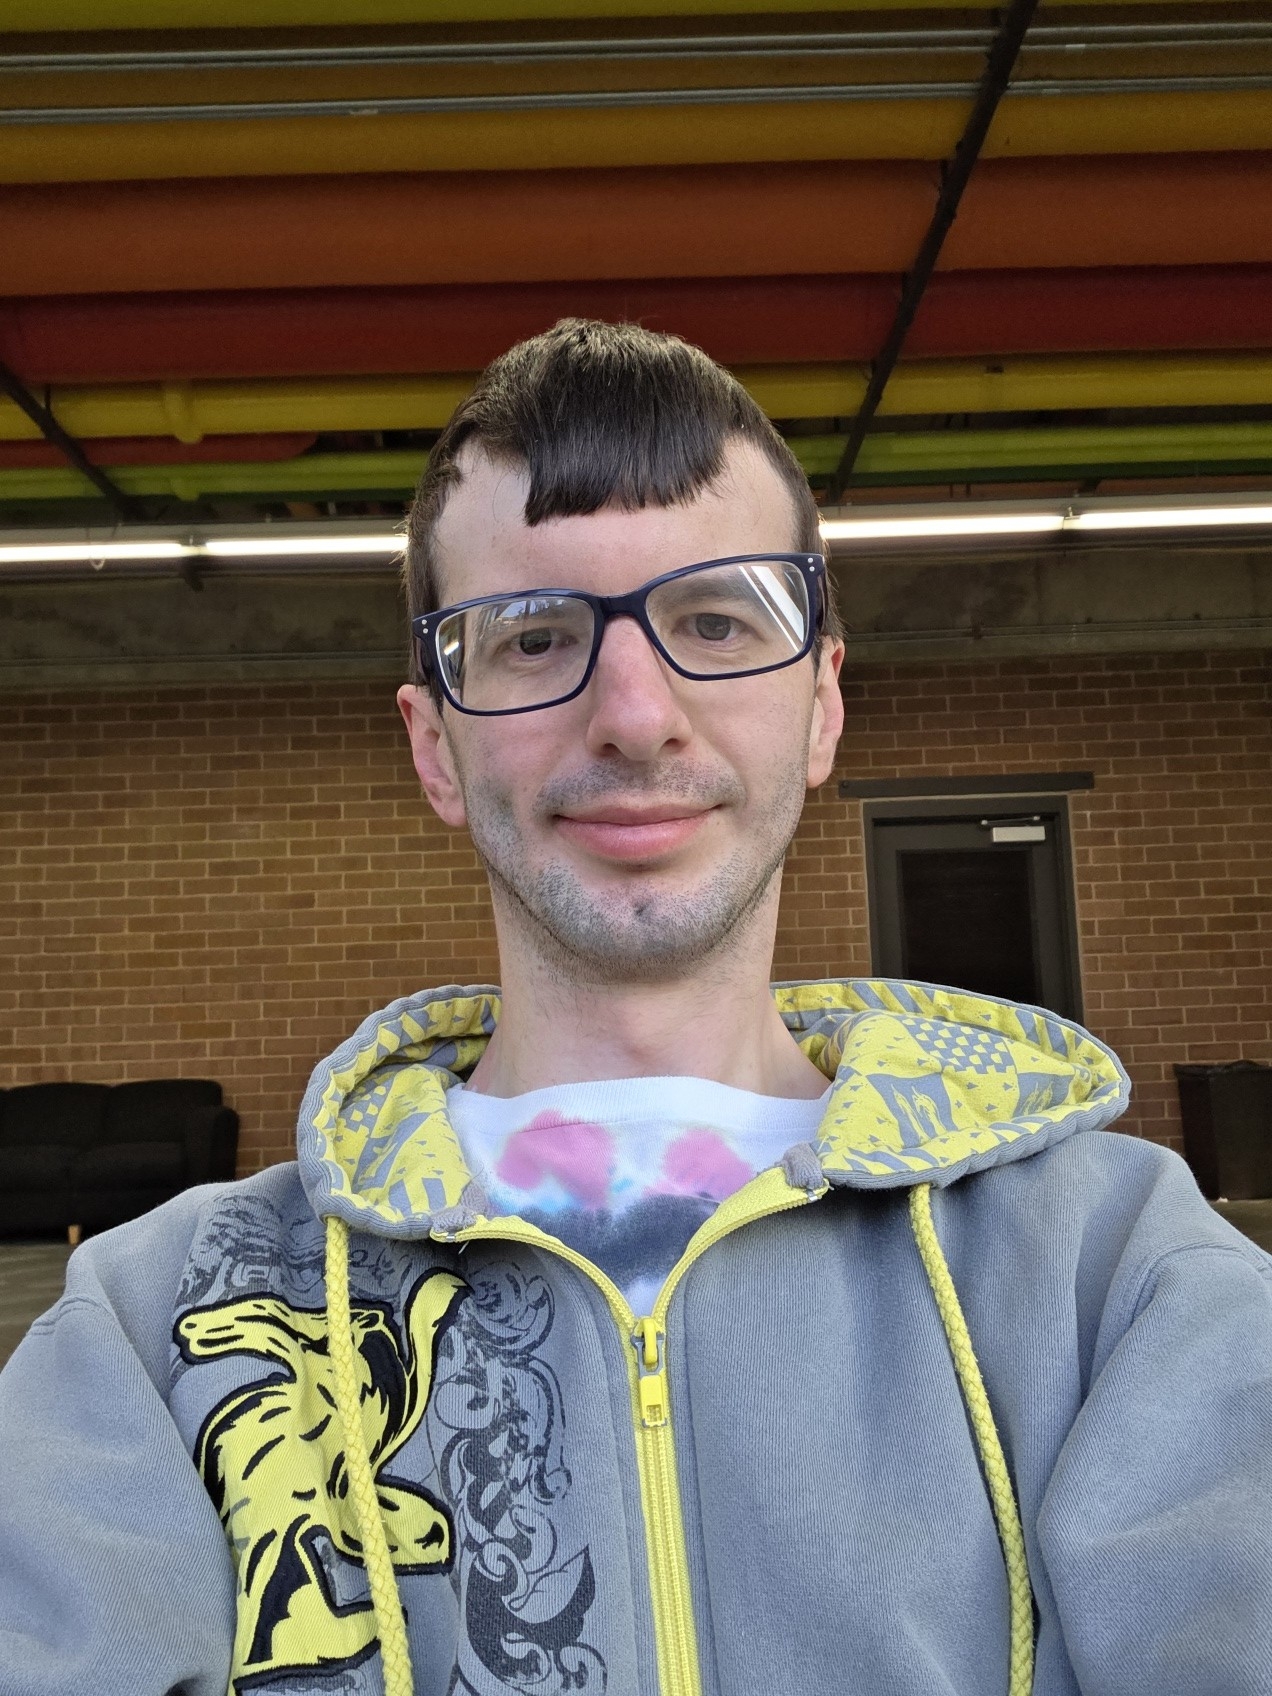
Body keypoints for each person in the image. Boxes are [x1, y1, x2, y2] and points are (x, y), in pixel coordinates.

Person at [1, 320, 1269, 1696]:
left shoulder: (1118, 1276)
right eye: (535, 638)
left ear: (822, 706)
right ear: (436, 745)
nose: (636, 715)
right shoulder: (161, 1328)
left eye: (716, 621)